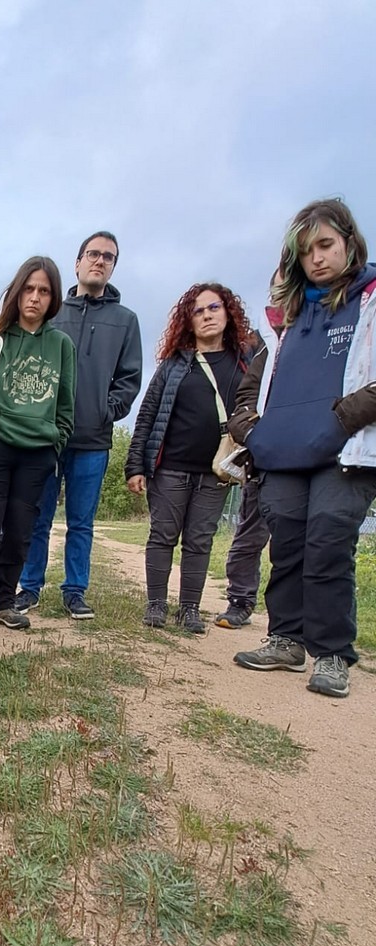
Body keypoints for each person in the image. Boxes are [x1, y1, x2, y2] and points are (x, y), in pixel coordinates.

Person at [230, 199, 376, 698]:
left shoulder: (370, 302)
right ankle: (286, 639)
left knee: (329, 538)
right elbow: (251, 387)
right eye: (306, 251)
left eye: (326, 245)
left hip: (346, 452)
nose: (317, 258)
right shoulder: (286, 320)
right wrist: (252, 430)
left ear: (350, 244)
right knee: (287, 538)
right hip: (285, 454)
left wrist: (335, 421)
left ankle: (333, 653)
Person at [16, 231, 142, 619]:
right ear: (77, 262)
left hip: (93, 439)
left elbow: (130, 377)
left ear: (113, 267)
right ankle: (29, 587)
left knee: (80, 522)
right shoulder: (56, 312)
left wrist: (107, 410)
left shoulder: (126, 320)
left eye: (108, 257)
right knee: (37, 516)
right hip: (47, 437)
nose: (99, 261)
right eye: (93, 254)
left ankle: (74, 591)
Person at [125, 282, 255, 633]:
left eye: (213, 308)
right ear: (189, 320)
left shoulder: (245, 362)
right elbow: (148, 414)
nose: (207, 316)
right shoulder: (175, 364)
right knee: (162, 535)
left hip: (217, 472)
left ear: (228, 313)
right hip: (170, 469)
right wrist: (135, 465)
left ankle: (190, 610)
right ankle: (156, 605)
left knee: (199, 541)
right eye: (198, 311)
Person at [0, 257, 75, 630]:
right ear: (17, 292)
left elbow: (66, 404)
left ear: (53, 297)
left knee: (19, 531)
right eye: (29, 289)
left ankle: (5, 603)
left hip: (38, 454)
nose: (35, 297)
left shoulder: (61, 345)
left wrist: (56, 443)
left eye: (44, 291)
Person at [214, 283, 284, 629]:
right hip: (264, 454)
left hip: (315, 453)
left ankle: (296, 624)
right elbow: (245, 399)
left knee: (296, 544)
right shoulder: (264, 347)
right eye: (275, 291)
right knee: (248, 535)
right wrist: (255, 436)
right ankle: (240, 600)